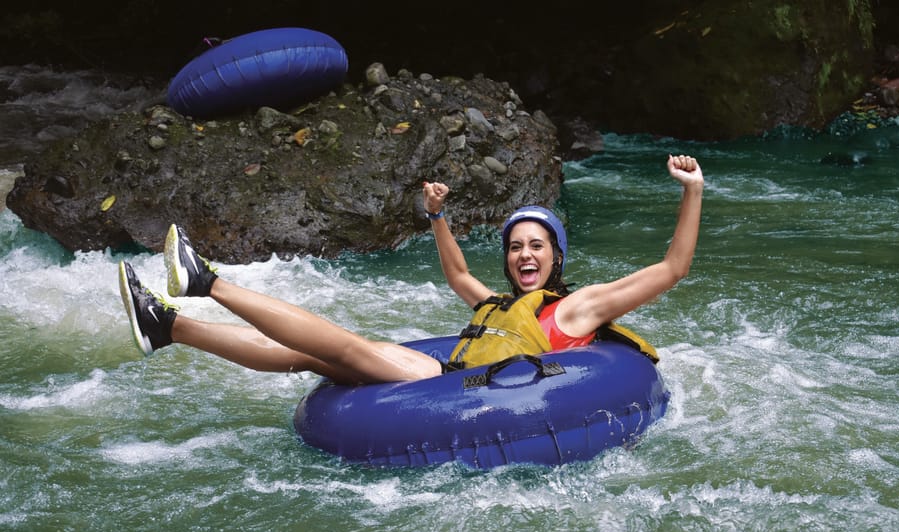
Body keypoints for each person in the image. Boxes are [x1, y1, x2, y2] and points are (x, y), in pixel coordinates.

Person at [119, 154, 703, 384]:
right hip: (448, 373)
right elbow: (457, 277)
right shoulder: (498, 308)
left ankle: (207, 281)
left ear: (556, 257)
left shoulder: (581, 306)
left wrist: (692, 191)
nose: (524, 255)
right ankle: (170, 328)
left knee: (345, 347)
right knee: (309, 353)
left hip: (461, 390)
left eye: (536, 247)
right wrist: (437, 216)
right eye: (515, 247)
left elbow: (674, 267)